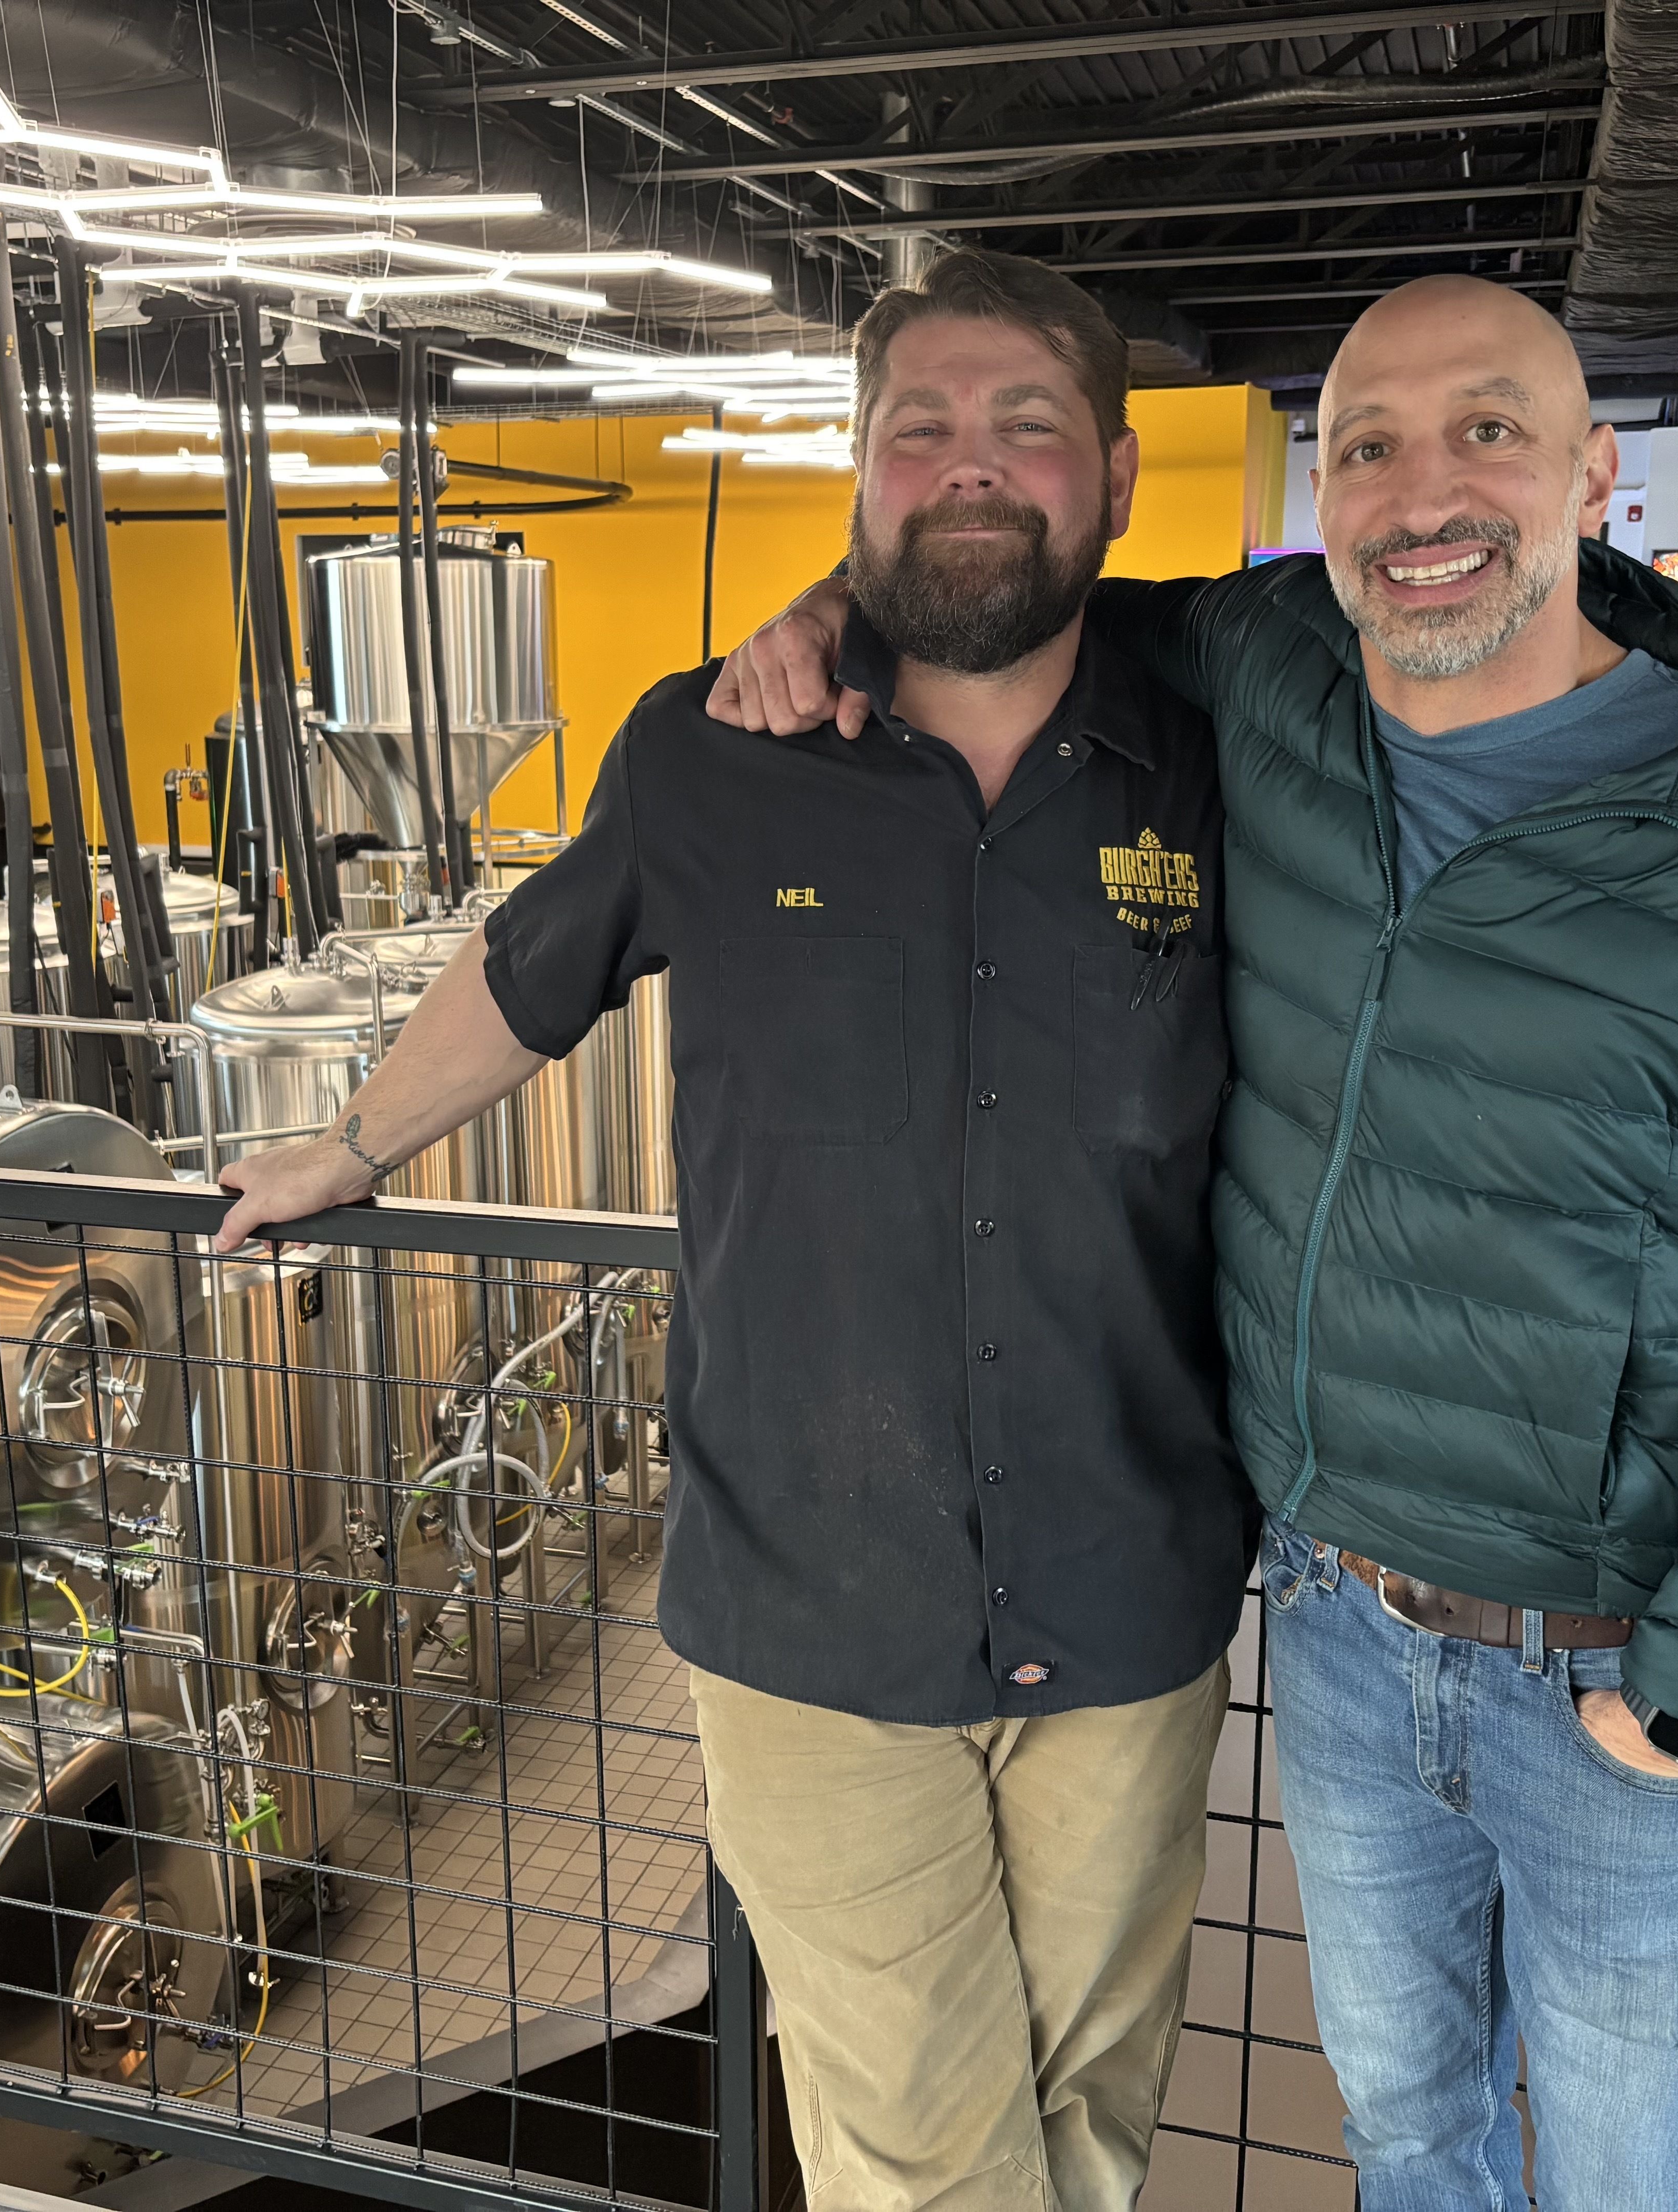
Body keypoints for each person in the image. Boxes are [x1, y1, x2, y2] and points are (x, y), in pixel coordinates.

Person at [708, 273, 1678, 2211]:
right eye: (1366, 444)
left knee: (1643, 2182)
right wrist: (838, 611)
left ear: (1593, 476)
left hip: (1625, 1665)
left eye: (1488, 429)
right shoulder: (1274, 680)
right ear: (1322, 499)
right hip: (1344, 1623)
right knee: (1408, 2141)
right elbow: (1018, 602)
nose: (1420, 490)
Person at [213, 249, 1256, 2212]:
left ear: (1116, 478)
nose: (971, 469)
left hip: (1129, 1585)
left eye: (1025, 427)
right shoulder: (711, 751)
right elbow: (531, 974)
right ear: (858, 479)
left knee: (1089, 2108)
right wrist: (341, 1143)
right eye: (918, 430)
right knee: (923, 2145)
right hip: (811, 1604)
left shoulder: (1218, 747)